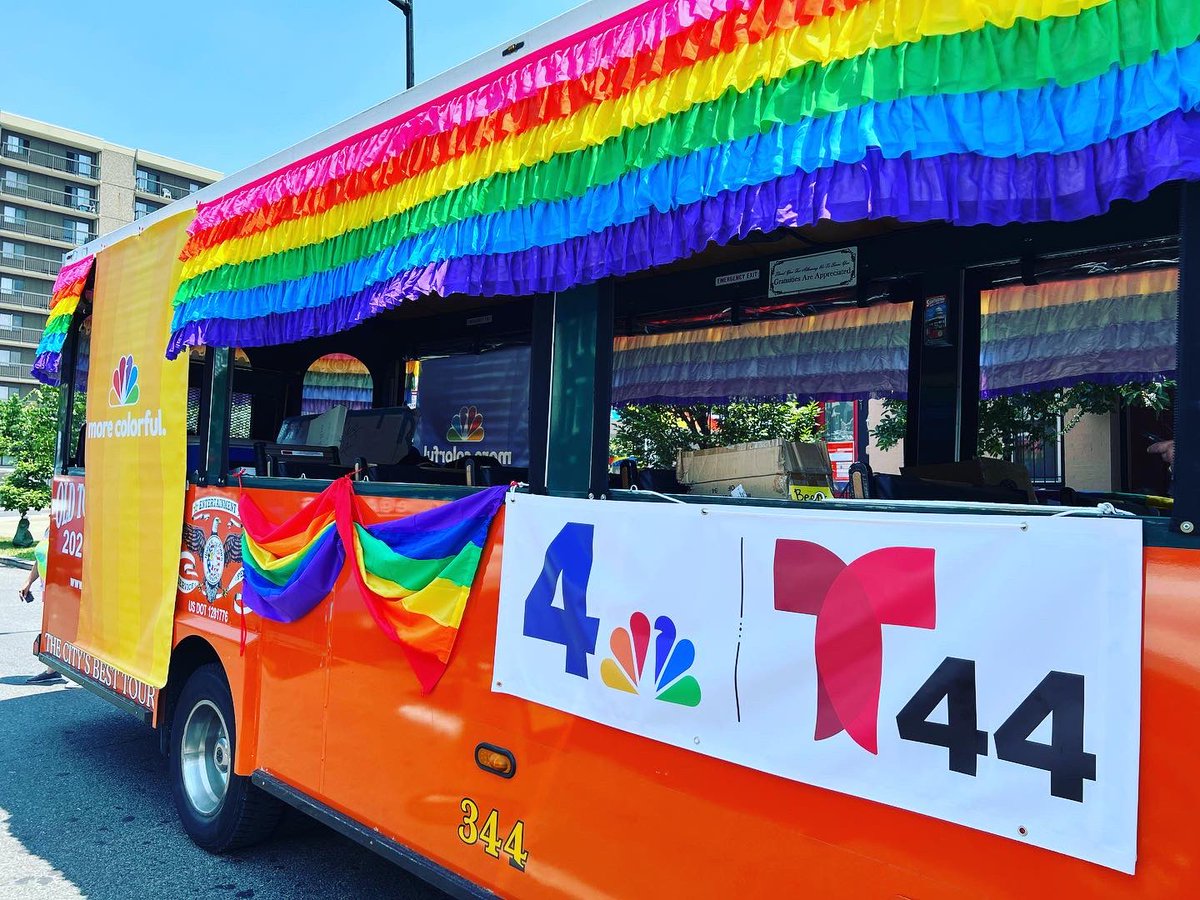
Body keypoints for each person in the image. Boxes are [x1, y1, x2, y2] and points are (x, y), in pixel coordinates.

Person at [19, 528, 63, 686]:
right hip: (48, 589)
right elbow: (40, 559)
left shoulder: (70, 525)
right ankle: (53, 670)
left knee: (68, 629)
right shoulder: (48, 528)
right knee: (53, 630)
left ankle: (80, 673)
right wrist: (28, 581)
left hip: (64, 589)